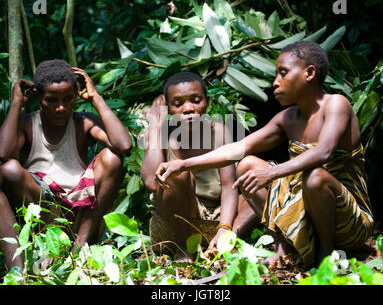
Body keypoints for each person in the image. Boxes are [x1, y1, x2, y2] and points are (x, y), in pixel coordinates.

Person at [155, 42, 374, 267]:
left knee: (314, 177)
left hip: (348, 222)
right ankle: (285, 247)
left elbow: (323, 152)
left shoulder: (336, 104)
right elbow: (237, 149)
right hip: (307, 218)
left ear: (309, 73)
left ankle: (325, 254)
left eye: (283, 73)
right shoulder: (287, 118)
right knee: (248, 164)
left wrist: (271, 174)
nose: (275, 82)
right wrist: (182, 165)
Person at [0, 59, 132, 271]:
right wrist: (16, 104)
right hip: (45, 217)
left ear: (76, 96)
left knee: (113, 158)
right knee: (9, 170)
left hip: (83, 217)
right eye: (51, 100)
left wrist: (96, 98)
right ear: (37, 97)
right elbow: (4, 154)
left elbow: (123, 145)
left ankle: (80, 250)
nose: (61, 108)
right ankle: (20, 271)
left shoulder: (84, 122)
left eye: (68, 99)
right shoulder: (27, 124)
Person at [141, 72, 257, 261]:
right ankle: (186, 250)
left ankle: (227, 239)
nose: (188, 109)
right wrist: (155, 128)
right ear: (168, 108)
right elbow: (150, 182)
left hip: (216, 220)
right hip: (173, 228)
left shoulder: (219, 131)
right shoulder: (160, 134)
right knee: (175, 173)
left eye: (195, 100)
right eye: (178, 104)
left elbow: (229, 185)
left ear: (207, 102)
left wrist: (225, 227)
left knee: (257, 176)